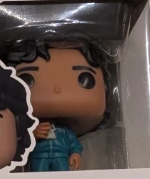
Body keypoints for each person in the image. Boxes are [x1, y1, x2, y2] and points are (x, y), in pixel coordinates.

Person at [6, 36, 108, 172]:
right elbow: (19, 144)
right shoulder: (33, 127)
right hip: (39, 157)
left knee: (62, 177)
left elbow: (74, 143)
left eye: (84, 79)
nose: (57, 89)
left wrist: (76, 153)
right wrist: (32, 134)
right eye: (27, 80)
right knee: (38, 177)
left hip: (60, 157)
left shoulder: (65, 129)